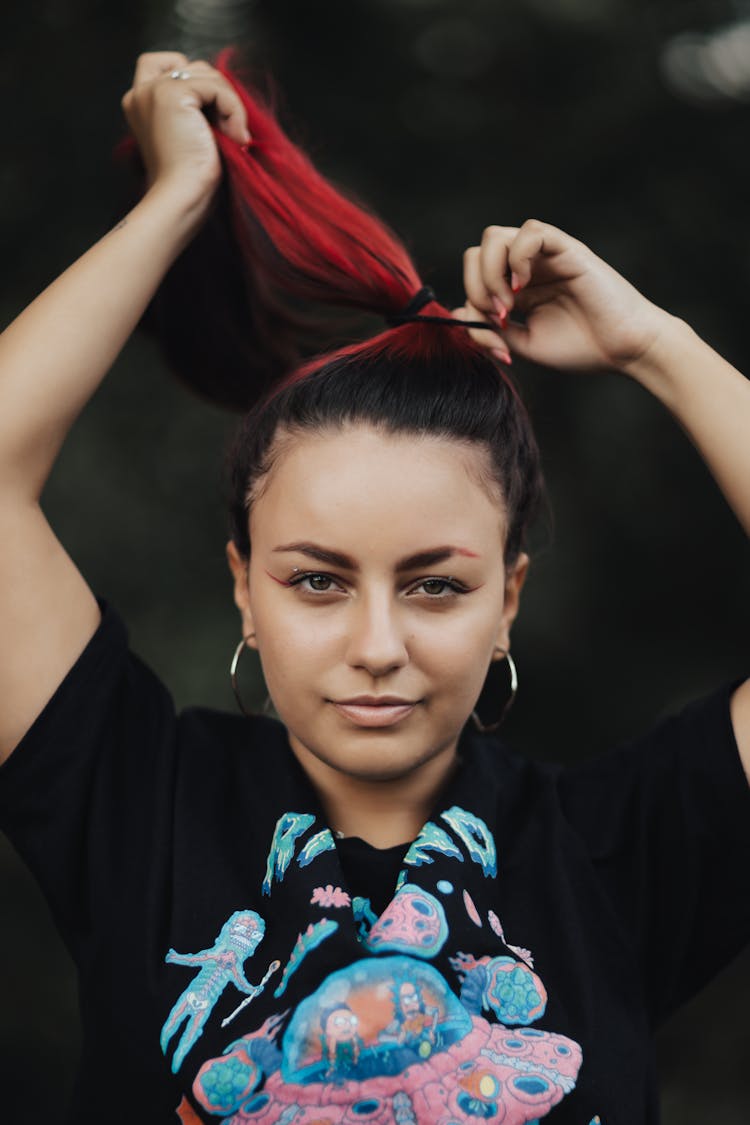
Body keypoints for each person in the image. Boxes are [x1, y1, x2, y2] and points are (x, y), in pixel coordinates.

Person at [0, 47, 748, 1125]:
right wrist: (179, 201)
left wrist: (656, 343)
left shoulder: (619, 857)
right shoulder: (138, 805)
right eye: (317, 581)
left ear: (510, 601)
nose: (378, 642)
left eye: (437, 587)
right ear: (244, 590)